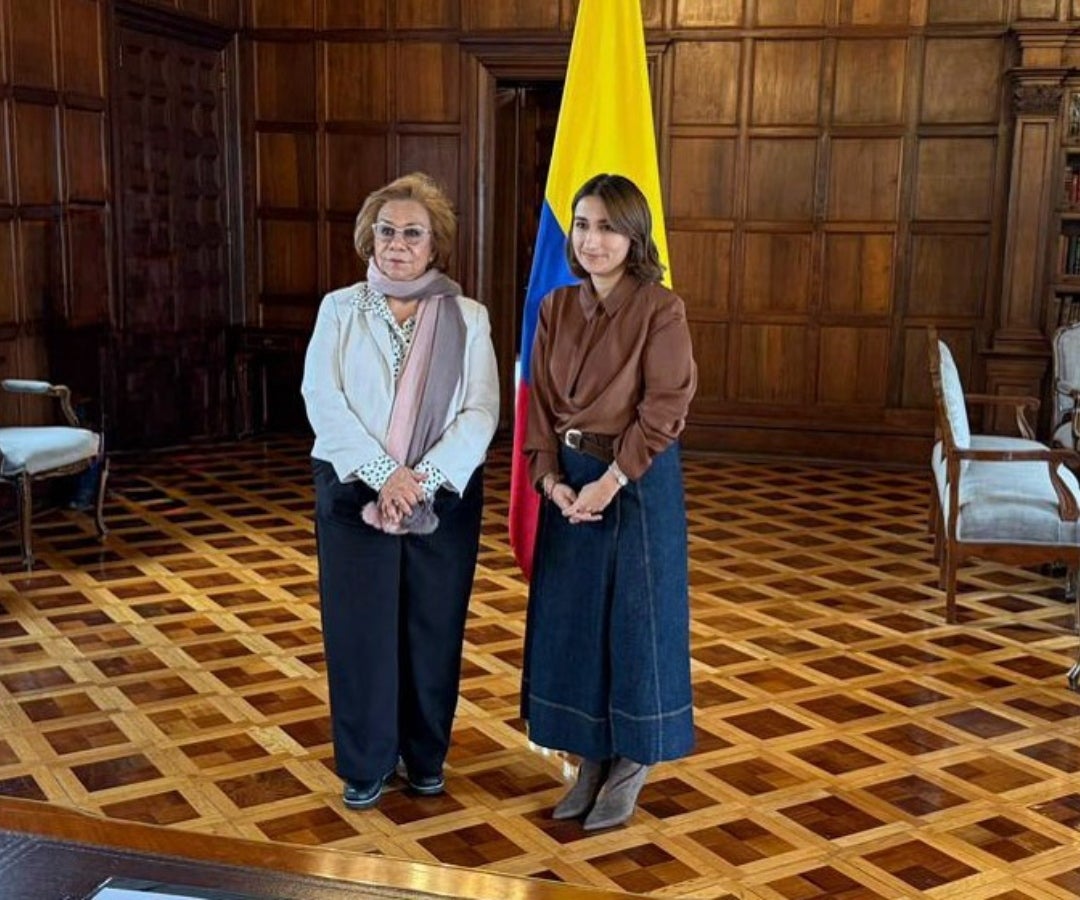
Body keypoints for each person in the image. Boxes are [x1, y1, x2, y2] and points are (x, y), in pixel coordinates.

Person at [301, 172, 499, 811]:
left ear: (434, 243)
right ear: (369, 238)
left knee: (432, 629)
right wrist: (386, 475)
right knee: (360, 633)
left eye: (411, 233)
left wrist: (423, 481)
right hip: (352, 493)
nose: (397, 244)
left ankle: (425, 759)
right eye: (386, 231)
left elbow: (480, 411)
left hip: (441, 500)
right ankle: (364, 765)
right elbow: (322, 400)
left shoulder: (468, 317)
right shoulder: (338, 309)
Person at [521, 173, 697, 830]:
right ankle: (588, 754)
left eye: (608, 227)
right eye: (584, 224)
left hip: (634, 482)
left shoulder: (661, 308)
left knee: (635, 626)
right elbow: (536, 405)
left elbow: (665, 407)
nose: (594, 239)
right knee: (573, 626)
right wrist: (550, 480)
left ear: (634, 236)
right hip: (567, 483)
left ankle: (631, 759)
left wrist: (609, 481)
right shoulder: (554, 308)